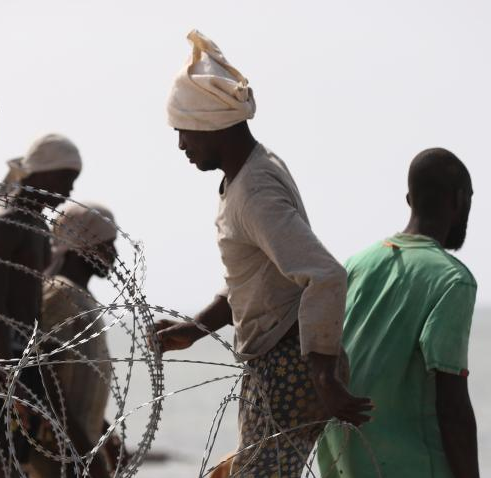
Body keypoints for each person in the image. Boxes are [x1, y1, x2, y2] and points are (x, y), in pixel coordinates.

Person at [153, 30, 372, 477]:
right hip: (278, 365)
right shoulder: (246, 177)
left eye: (184, 133)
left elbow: (324, 274)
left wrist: (324, 375)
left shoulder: (254, 192)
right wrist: (195, 328)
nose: (181, 147)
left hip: (288, 367)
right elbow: (254, 282)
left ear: (211, 124)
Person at [316, 148, 478, 478]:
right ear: (460, 198)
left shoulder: (355, 265)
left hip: (344, 465)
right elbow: (452, 406)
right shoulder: (452, 280)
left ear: (409, 199)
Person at [0, 134, 81, 478]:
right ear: (42, 172)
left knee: (14, 460)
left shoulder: (35, 223)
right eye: (65, 179)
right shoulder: (6, 222)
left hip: (22, 354)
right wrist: (6, 372)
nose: (69, 191)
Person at [23, 201, 118, 478]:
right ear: (83, 243)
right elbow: (46, 376)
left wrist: (102, 434)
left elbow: (76, 380)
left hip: (74, 450)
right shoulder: (61, 294)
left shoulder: (80, 297)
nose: (113, 254)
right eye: (107, 244)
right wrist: (83, 451)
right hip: (57, 455)